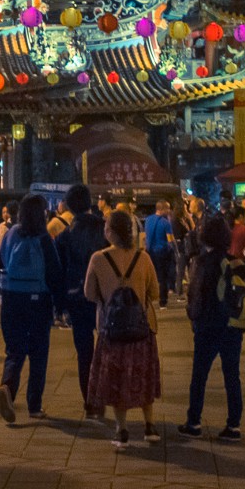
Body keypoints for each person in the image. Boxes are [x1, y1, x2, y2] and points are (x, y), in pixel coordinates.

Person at [84, 209, 163, 448]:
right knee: (143, 376)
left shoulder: (98, 259)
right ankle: (149, 426)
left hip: (111, 329)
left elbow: (89, 294)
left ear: (110, 231)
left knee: (117, 378)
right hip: (142, 329)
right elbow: (155, 293)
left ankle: (122, 430)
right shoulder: (143, 258)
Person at [0, 193, 65, 424]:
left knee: (14, 349)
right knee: (38, 352)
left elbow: (0, 261)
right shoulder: (44, 238)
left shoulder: (12, 232)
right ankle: (34, 405)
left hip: (11, 297)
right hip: (38, 299)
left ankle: (7, 386)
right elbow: (54, 272)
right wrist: (60, 304)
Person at [180, 216, 245, 441]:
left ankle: (194, 421)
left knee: (199, 375)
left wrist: (193, 317)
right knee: (232, 376)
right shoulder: (234, 261)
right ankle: (234, 425)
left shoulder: (201, 262)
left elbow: (195, 295)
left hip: (207, 325)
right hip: (231, 326)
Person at [53, 184, 109, 417]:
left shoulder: (65, 236)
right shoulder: (104, 228)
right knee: (105, 349)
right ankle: (105, 397)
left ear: (68, 206)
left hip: (76, 298)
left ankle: (90, 403)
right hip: (103, 297)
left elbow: (58, 272)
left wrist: (59, 305)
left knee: (84, 352)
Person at [143, 199, 178, 306]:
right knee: (163, 277)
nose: (169, 210)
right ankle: (163, 301)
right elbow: (170, 240)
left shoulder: (148, 220)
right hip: (163, 252)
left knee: (151, 276)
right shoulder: (165, 222)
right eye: (167, 208)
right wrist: (176, 251)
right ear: (161, 209)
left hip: (150, 252)